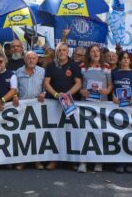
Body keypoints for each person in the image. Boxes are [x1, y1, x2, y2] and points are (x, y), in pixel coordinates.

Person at [43, 42, 82, 170]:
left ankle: (72, 161)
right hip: (53, 103)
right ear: (56, 52)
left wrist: (67, 95)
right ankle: (54, 160)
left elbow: (78, 83)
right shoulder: (51, 65)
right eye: (59, 50)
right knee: (54, 132)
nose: (61, 52)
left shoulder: (74, 65)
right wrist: (55, 95)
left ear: (68, 52)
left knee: (70, 132)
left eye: (64, 50)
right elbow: (46, 83)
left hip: (69, 103)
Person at [111, 51, 132, 173]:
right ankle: (120, 163)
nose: (125, 60)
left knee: (131, 136)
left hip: (131, 108)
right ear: (119, 60)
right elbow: (112, 89)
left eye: (127, 58)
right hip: (118, 108)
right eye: (123, 58)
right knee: (119, 136)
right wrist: (113, 96)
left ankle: (131, 163)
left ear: (130, 61)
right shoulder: (114, 73)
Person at [13, 50, 46, 170]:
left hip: (38, 107)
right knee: (23, 135)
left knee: (37, 135)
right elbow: (14, 88)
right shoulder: (18, 72)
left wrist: (44, 93)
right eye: (29, 58)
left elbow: (46, 87)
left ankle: (37, 161)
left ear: (37, 60)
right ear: (24, 59)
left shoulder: (42, 71)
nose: (31, 60)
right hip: (22, 108)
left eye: (33, 58)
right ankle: (22, 161)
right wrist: (15, 96)